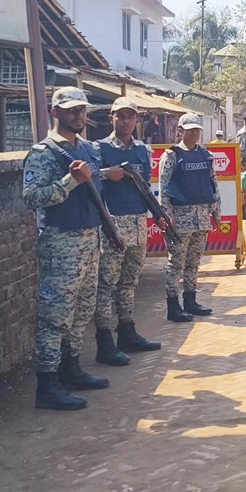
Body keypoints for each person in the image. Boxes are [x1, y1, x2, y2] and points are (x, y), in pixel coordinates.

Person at [23, 87, 112, 410]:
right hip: (61, 243)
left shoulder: (87, 149)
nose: (79, 114)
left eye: (82, 109)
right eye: (72, 109)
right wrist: (69, 181)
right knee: (55, 316)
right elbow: (31, 197)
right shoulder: (43, 153)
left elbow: (98, 192)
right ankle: (47, 384)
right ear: (55, 112)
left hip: (90, 239)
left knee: (83, 310)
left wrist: (110, 230)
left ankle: (70, 369)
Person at [93, 98, 169, 371]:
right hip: (112, 226)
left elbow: (144, 187)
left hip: (138, 224)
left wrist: (157, 214)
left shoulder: (142, 151)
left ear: (137, 120)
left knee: (129, 283)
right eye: (120, 116)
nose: (125, 121)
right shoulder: (99, 148)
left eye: (130, 116)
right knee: (106, 285)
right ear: (111, 118)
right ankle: (104, 341)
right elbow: (88, 178)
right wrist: (106, 174)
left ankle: (127, 332)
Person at [159, 113, 220, 322]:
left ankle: (190, 301)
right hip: (180, 219)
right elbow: (164, 189)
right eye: (190, 129)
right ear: (180, 131)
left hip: (201, 218)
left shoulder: (205, 155)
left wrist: (216, 213)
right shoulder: (171, 156)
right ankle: (173, 306)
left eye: (197, 130)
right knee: (176, 263)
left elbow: (213, 185)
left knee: (193, 262)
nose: (194, 133)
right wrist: (167, 216)